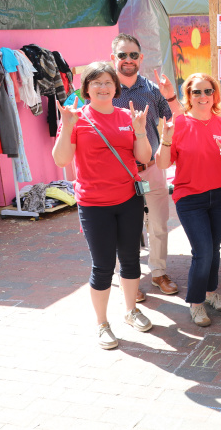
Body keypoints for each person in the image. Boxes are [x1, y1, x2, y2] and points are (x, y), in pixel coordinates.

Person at [52, 62, 153, 349]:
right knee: (104, 265)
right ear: (86, 89)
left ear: (115, 87)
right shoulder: (77, 117)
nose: (103, 87)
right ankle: (102, 323)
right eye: (96, 83)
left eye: (107, 82)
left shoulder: (125, 116)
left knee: (131, 259)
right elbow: (61, 160)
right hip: (94, 204)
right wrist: (66, 127)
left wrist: (141, 131)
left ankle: (131, 310)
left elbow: (142, 157)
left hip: (129, 200)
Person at [155, 74, 221, 327]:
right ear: (188, 96)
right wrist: (166, 139)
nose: (203, 97)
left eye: (208, 91)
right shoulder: (178, 124)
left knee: (215, 248)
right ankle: (196, 302)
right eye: (197, 92)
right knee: (203, 251)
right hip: (190, 197)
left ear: (215, 95)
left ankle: (211, 292)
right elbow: (163, 163)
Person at [111, 34, 183, 302]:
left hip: (151, 168)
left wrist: (171, 95)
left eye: (132, 55)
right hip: (119, 172)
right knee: (123, 227)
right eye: (122, 55)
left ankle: (159, 273)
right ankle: (127, 277)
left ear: (141, 58)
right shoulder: (106, 89)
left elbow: (179, 117)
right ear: (113, 58)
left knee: (158, 224)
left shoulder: (153, 90)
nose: (127, 60)